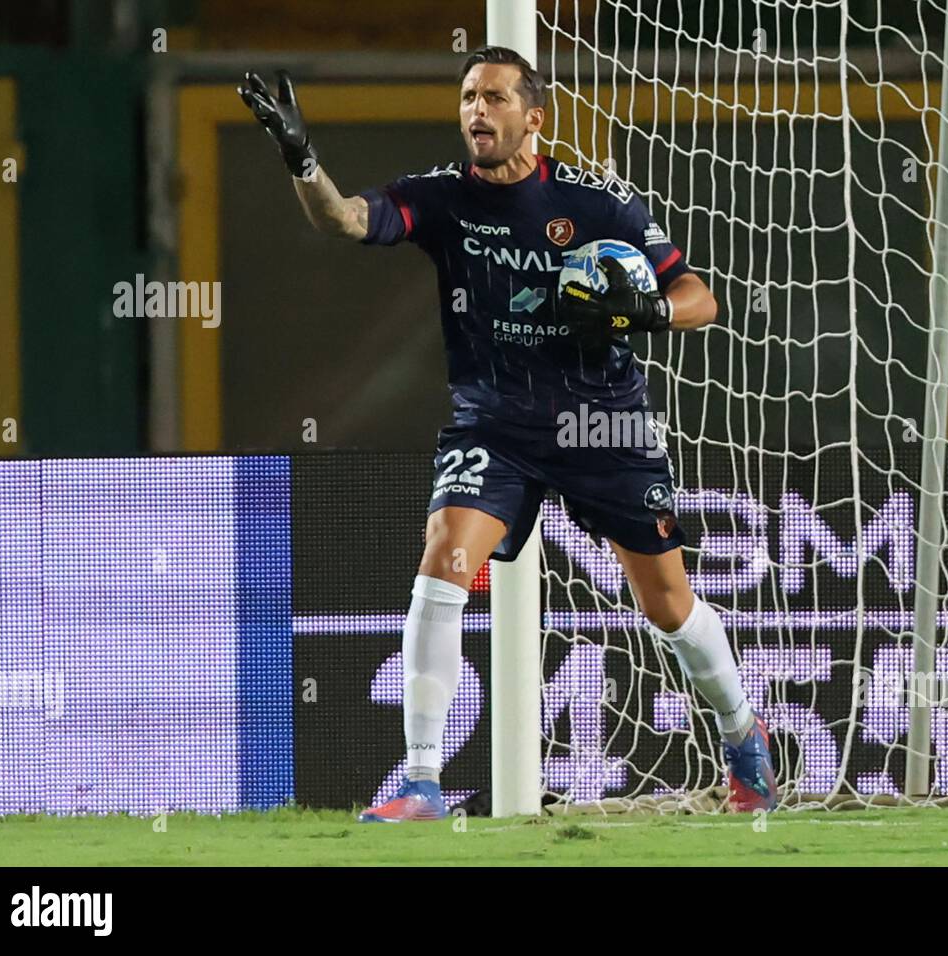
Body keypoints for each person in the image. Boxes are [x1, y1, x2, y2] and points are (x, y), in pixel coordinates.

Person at [238, 47, 777, 820]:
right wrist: (301, 158)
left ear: (535, 117)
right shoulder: (441, 197)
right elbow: (344, 218)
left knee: (666, 604)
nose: (476, 111)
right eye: (467, 97)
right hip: (494, 428)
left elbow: (699, 297)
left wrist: (648, 310)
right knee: (444, 561)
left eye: (493, 97)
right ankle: (422, 781)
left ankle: (742, 734)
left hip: (602, 424)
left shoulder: (597, 203)